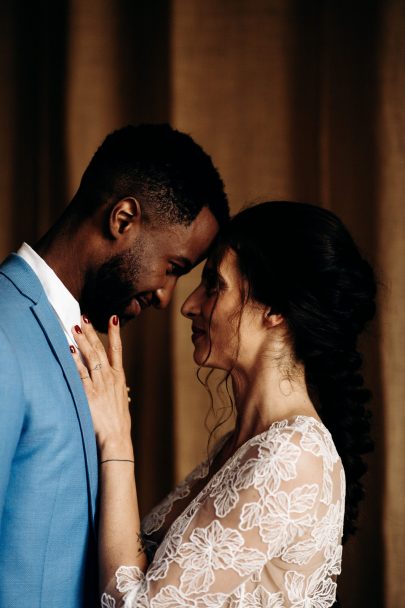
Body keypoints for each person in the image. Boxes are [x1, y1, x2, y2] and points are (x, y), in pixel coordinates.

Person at [71, 201, 377, 607]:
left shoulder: (292, 456)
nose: (188, 305)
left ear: (275, 310)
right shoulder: (240, 445)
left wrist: (116, 440)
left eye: (214, 285)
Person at [0, 123, 229, 608]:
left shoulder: (83, 346)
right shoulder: (3, 332)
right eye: (174, 268)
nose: (168, 298)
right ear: (123, 219)